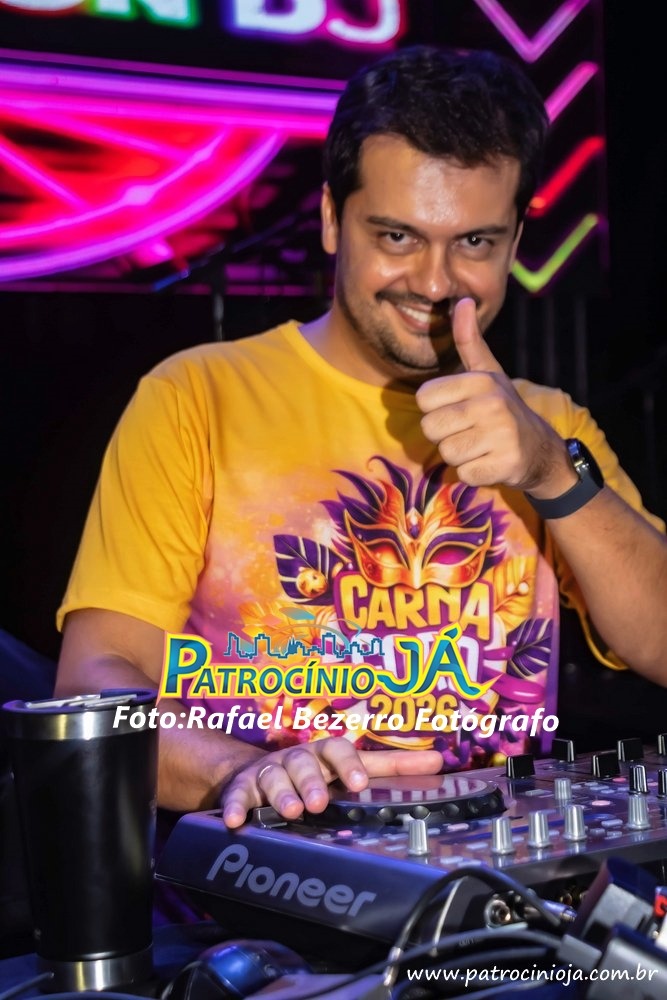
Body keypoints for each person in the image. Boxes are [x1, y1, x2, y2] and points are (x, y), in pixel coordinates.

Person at [54, 45, 667, 831]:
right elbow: (94, 684)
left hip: (503, 879)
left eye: (474, 243)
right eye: (397, 236)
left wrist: (550, 471)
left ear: (514, 241)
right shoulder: (195, 397)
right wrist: (241, 769)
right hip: (267, 876)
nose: (435, 282)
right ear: (329, 219)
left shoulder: (551, 428)